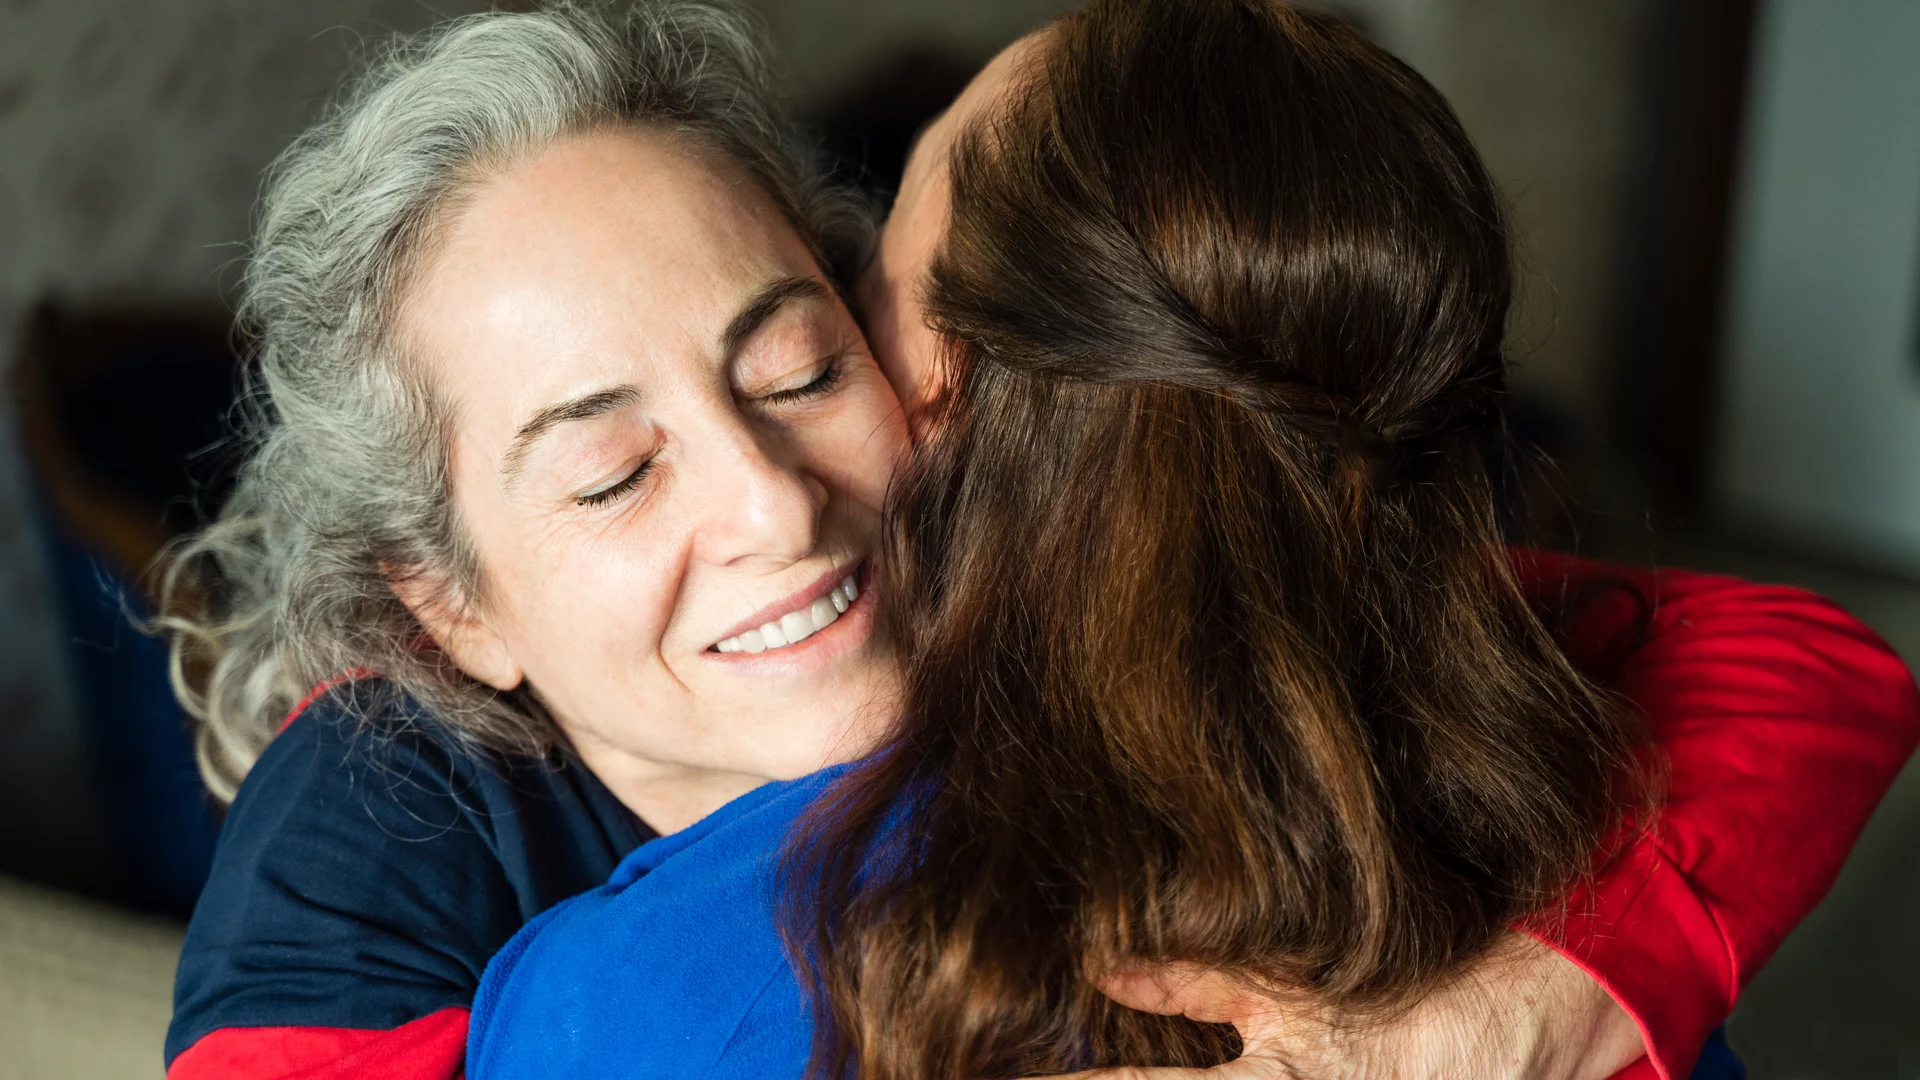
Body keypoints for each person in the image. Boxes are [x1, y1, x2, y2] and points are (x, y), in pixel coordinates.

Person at [160, 3, 1919, 1080]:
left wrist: (1530, 1000)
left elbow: (1816, 665)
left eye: (800, 363)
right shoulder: (382, 826)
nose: (771, 501)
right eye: (614, 473)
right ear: (450, 606)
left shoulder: (1151, 621)